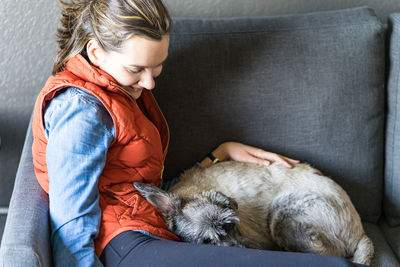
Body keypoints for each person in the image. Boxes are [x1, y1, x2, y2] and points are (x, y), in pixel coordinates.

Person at [31, 0, 365, 266]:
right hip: (123, 242)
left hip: (151, 228)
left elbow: (135, 183)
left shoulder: (119, 91)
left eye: (157, 67)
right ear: (95, 52)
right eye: (137, 70)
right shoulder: (79, 110)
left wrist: (219, 154)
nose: (149, 83)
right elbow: (70, 217)